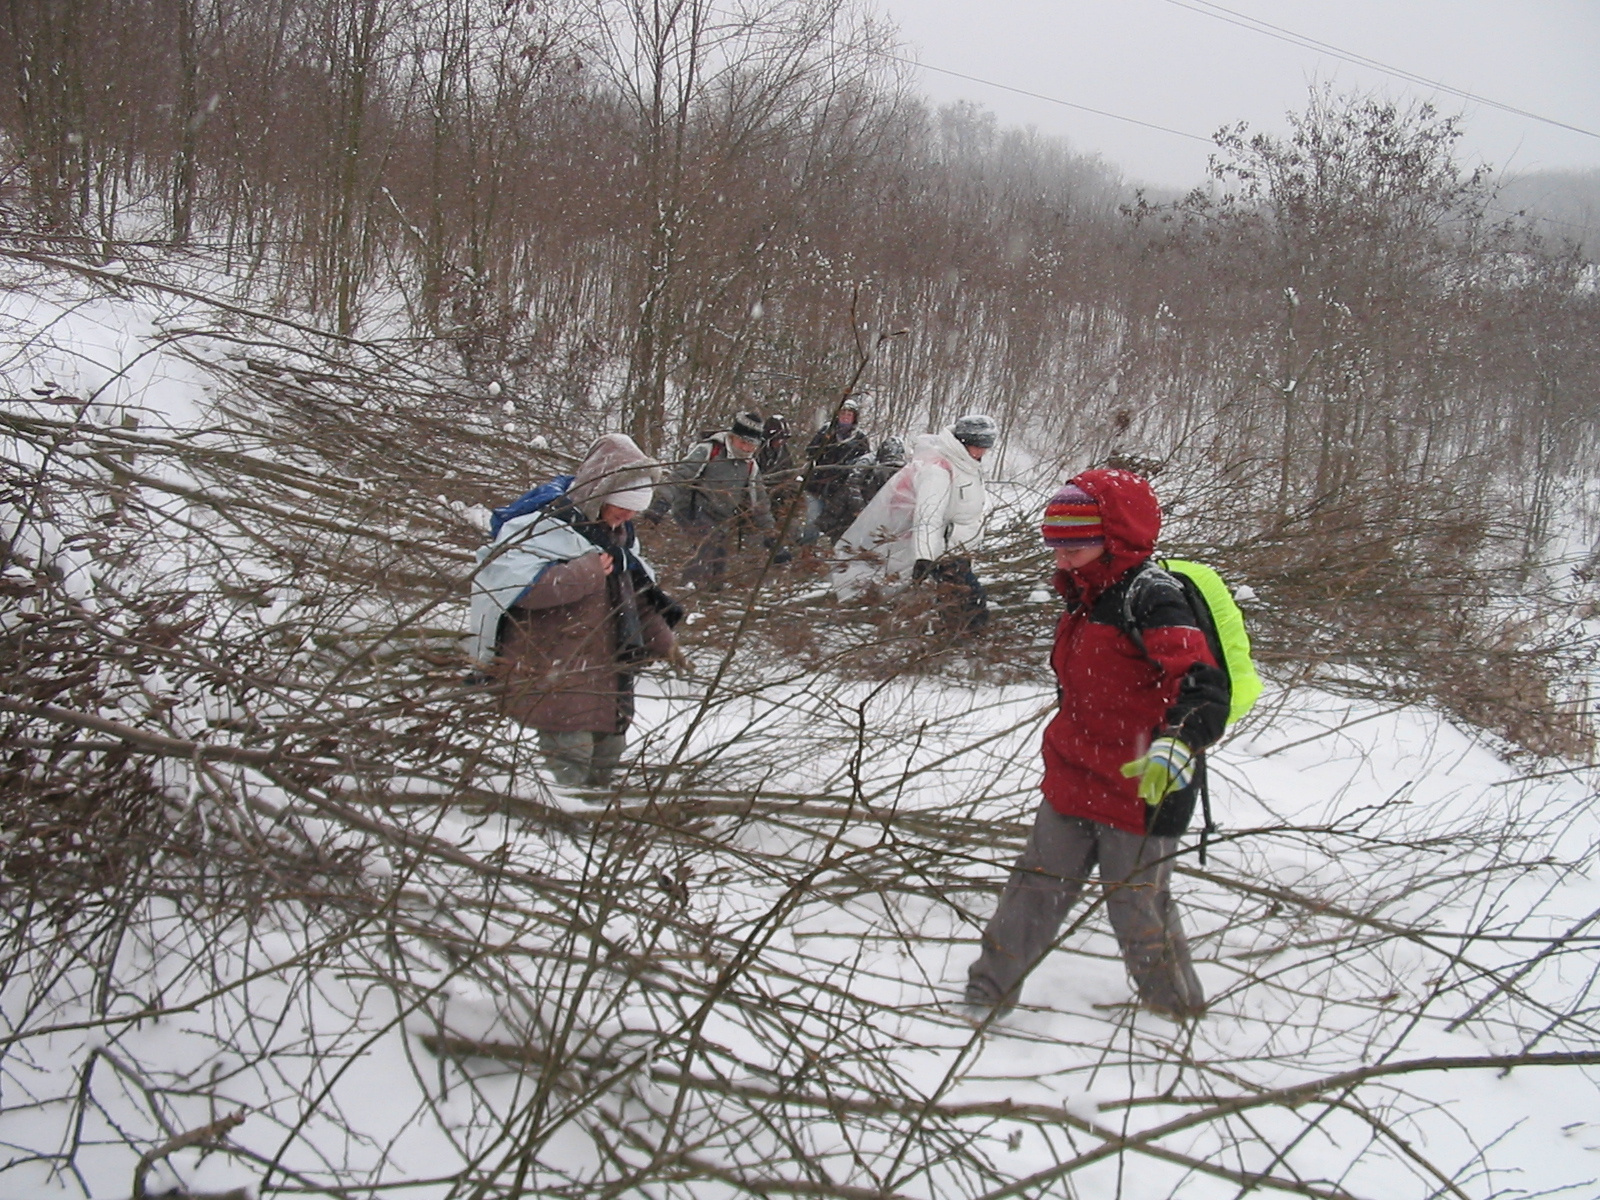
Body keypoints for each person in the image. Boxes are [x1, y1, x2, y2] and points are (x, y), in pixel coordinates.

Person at [964, 470, 1230, 1020]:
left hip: (1144, 784)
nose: (1060, 560)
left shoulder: (1153, 598)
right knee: (1033, 890)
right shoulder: (1084, 595)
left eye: (1074, 548)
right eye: (1055, 547)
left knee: (1138, 908)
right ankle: (983, 998)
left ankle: (1176, 1015)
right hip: (1074, 774)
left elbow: (1203, 683)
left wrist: (1176, 744)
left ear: (1115, 538)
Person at [466, 434, 685, 790]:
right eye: (621, 505)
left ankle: (594, 825)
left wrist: (663, 639)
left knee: (608, 753)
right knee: (568, 759)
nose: (628, 515)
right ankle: (560, 824)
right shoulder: (541, 526)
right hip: (556, 665)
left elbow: (632, 595)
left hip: (606, 671)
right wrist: (585, 571)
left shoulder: (620, 537)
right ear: (598, 493)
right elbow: (518, 590)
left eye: (635, 510)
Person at [830, 413, 997, 633]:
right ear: (966, 442)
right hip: (943, 550)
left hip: (959, 547)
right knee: (971, 601)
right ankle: (967, 637)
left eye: (987, 446)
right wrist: (925, 557)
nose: (983, 452)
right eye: (980, 446)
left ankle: (950, 636)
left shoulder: (968, 464)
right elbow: (928, 517)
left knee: (953, 599)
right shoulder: (938, 470)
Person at [665, 409, 776, 589]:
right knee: (705, 547)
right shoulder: (710, 450)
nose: (747, 449)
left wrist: (770, 533)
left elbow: (760, 501)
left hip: (721, 517)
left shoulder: (750, 465)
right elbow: (679, 477)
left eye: (752, 445)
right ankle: (688, 589)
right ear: (732, 437)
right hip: (692, 509)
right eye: (743, 443)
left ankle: (712, 596)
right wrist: (658, 506)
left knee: (720, 559)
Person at [801, 396, 873, 543]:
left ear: (854, 418)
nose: (845, 417)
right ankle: (806, 550)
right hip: (817, 485)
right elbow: (810, 453)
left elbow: (865, 464)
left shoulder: (860, 439)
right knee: (813, 518)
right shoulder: (826, 432)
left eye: (849, 415)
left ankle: (831, 552)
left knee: (836, 524)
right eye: (843, 414)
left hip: (841, 490)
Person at [757, 412, 802, 528]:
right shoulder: (757, 450)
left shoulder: (783, 452)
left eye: (783, 439)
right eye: (778, 439)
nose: (781, 442)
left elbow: (789, 472)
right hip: (759, 496)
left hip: (777, 496)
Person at [849, 434, 907, 510]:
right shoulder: (866, 462)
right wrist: (861, 509)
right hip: (858, 502)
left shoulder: (904, 467)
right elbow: (852, 485)